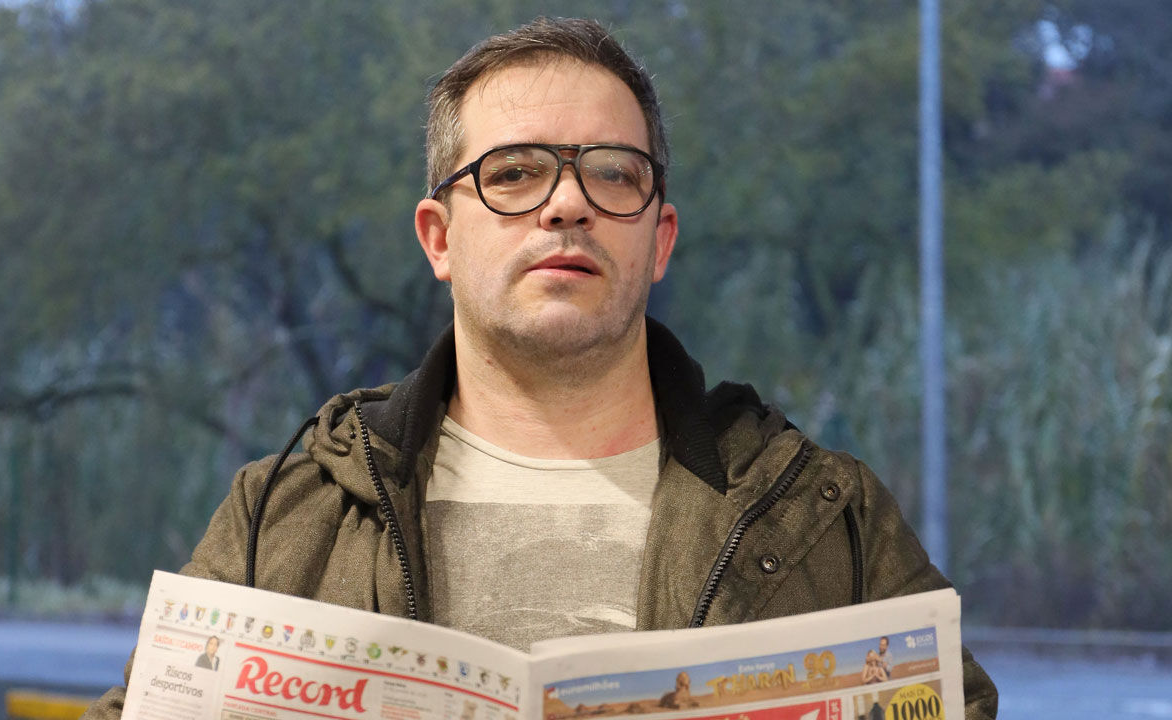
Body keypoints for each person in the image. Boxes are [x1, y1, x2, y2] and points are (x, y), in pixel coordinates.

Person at [82, 17, 997, 719]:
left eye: (614, 173)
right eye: (515, 173)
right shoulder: (282, 511)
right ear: (439, 238)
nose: (567, 203)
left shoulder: (826, 512)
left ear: (659, 240)